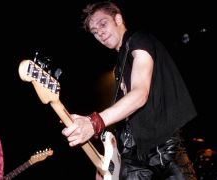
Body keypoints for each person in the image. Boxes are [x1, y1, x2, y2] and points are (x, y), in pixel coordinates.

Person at [62, 1, 197, 179]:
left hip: (162, 150)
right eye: (94, 32)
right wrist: (109, 163)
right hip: (133, 157)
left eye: (103, 24)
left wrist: (94, 122)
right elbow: (127, 119)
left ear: (118, 19)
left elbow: (140, 94)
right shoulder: (120, 65)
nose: (99, 33)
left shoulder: (138, 39)